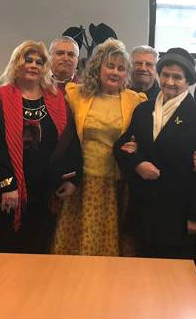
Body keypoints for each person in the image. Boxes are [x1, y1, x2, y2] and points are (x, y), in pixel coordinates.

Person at [115, 47, 196, 258]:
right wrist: (138, 163)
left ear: (188, 81)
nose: (170, 82)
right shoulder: (144, 110)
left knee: (173, 275)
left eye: (177, 77)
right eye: (165, 75)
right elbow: (121, 147)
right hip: (143, 209)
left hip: (178, 213)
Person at [52, 39, 144, 256]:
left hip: (117, 184)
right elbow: (67, 139)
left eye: (121, 68)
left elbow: (142, 136)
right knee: (80, 243)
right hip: (83, 183)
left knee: (112, 244)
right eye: (110, 66)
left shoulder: (135, 100)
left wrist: (137, 146)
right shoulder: (77, 95)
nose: (115, 72)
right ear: (98, 67)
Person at [0, 41, 81, 254]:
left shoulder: (57, 99)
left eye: (39, 62)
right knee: (11, 255)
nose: (33, 65)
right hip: (12, 192)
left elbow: (70, 141)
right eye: (28, 60)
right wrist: (8, 185)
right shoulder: (1, 97)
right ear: (17, 63)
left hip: (47, 192)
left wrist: (72, 180)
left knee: (41, 254)